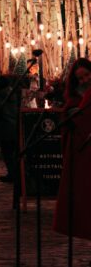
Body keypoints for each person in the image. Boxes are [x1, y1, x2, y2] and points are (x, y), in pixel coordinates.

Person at [53, 58, 91, 241]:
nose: (84, 80)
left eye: (87, 75)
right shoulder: (74, 97)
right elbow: (66, 123)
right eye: (80, 78)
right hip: (80, 153)